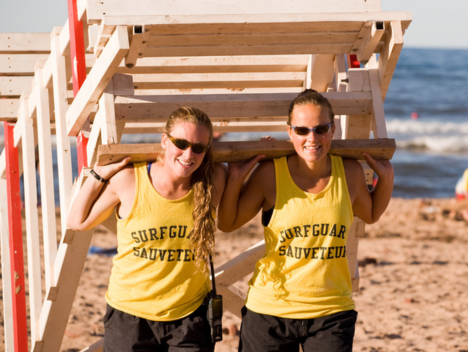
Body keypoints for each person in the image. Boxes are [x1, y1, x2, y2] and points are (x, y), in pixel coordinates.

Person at [218, 89, 394, 352]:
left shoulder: (348, 173)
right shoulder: (270, 174)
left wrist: (387, 178)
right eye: (302, 130)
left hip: (332, 309)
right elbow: (228, 223)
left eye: (320, 129)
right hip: (270, 309)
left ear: (333, 130)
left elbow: (371, 214)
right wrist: (236, 177)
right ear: (290, 132)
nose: (312, 138)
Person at [66, 107, 226, 351]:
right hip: (130, 316)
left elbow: (234, 213)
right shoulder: (129, 180)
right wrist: (98, 174)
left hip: (190, 316)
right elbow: (76, 221)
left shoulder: (213, 180)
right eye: (180, 143)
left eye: (198, 147)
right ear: (164, 140)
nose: (188, 153)